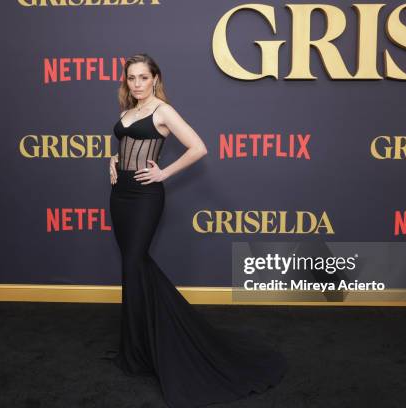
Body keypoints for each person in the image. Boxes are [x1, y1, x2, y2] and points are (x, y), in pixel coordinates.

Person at [106, 53, 288, 408]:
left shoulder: (163, 111)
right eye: (132, 78)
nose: (138, 83)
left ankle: (141, 352)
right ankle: (138, 346)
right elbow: (123, 147)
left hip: (145, 196)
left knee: (133, 264)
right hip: (120, 195)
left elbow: (198, 148)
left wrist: (163, 173)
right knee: (135, 266)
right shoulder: (127, 112)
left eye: (144, 77)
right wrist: (112, 162)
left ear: (155, 79)